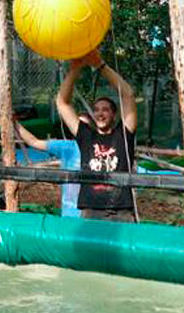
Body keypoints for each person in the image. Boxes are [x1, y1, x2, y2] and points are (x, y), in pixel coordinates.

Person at [56, 50, 137, 222]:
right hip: (90, 211)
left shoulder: (123, 135)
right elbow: (62, 103)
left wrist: (99, 64)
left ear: (114, 115)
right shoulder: (86, 136)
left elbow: (128, 94)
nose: (100, 113)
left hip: (121, 211)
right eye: (97, 109)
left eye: (105, 109)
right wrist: (76, 68)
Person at [14, 114, 94, 218]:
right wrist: (14, 123)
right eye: (77, 124)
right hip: (69, 214)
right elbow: (34, 142)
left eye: (84, 126)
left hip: (92, 215)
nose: (79, 128)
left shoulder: (100, 149)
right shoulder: (66, 147)